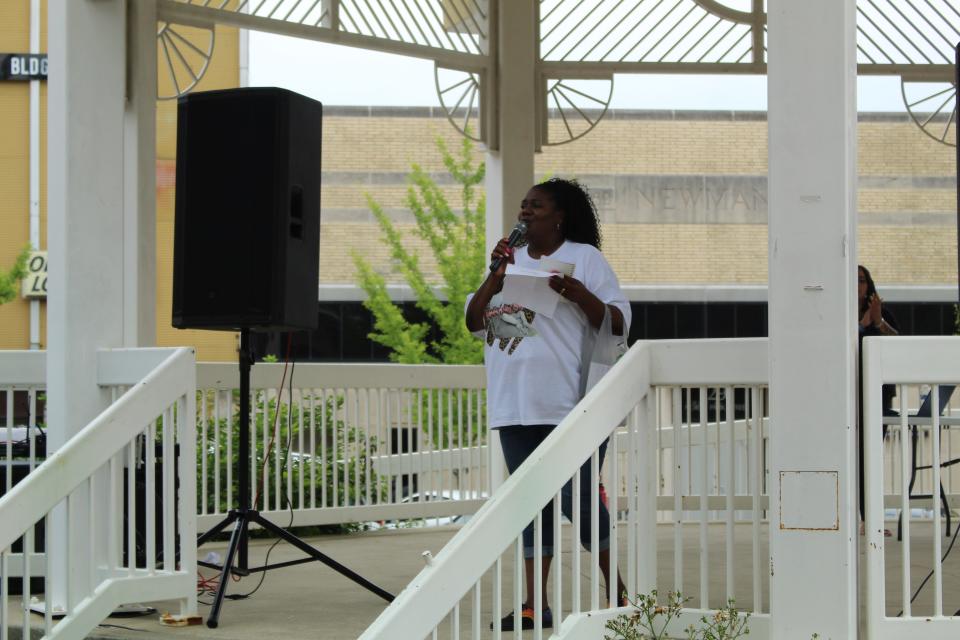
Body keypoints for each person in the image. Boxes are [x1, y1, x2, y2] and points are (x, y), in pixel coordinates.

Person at [465, 178, 630, 631]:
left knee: (580, 502)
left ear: (559, 215)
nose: (525, 211)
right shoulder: (507, 261)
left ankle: (619, 593)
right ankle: (534, 604)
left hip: (568, 404)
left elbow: (618, 320)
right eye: (522, 205)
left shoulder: (584, 258)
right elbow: (475, 321)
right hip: (514, 405)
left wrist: (579, 294)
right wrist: (496, 274)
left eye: (535, 205)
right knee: (530, 506)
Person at [857, 265, 899, 531]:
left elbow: (898, 342)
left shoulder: (880, 311)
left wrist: (878, 321)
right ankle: (857, 519)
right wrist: (863, 323)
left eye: (862, 280)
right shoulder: (840, 313)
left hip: (878, 395)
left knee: (871, 457)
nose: (858, 286)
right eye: (853, 281)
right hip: (850, 395)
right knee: (852, 458)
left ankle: (871, 519)